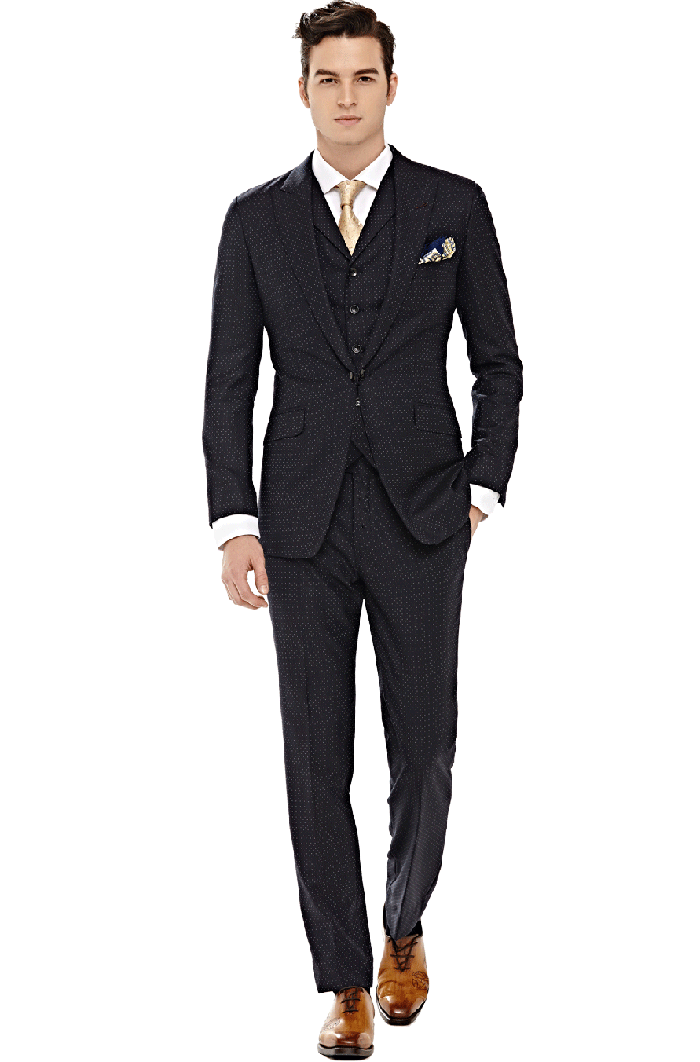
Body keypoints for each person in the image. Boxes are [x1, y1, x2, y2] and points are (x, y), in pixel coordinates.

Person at [202, 2, 522, 1055]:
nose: (346, 96)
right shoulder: (254, 220)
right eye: (328, 78)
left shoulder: (452, 206)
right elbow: (229, 380)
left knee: (425, 746)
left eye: (364, 76)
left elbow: (498, 362)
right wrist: (234, 520)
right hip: (298, 522)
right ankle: (342, 978)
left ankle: (404, 924)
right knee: (314, 758)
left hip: (424, 512)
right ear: (302, 90)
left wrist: (483, 487)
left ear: (392, 85)